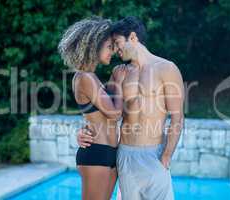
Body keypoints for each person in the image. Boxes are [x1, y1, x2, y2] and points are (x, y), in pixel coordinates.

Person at [77, 16, 185, 200]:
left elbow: (177, 118)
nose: (116, 49)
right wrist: (83, 131)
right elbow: (104, 113)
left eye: (118, 43)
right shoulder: (119, 73)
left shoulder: (167, 68)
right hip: (125, 154)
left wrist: (166, 156)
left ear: (133, 37)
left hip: (155, 155)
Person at [58, 17, 127, 200]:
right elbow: (114, 113)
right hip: (96, 153)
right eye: (108, 47)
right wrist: (118, 82)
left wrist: (114, 80)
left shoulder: (92, 77)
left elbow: (100, 111)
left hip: (107, 152)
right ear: (93, 46)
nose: (112, 52)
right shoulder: (84, 77)